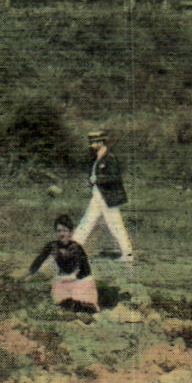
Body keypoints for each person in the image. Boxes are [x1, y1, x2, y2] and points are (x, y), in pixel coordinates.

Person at [73, 131, 134, 265]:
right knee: (86, 222)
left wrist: (98, 179)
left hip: (108, 197)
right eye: (91, 142)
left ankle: (127, 254)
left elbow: (115, 178)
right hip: (98, 195)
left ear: (101, 143)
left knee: (115, 226)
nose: (91, 145)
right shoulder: (96, 157)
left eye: (94, 142)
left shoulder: (110, 158)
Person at [23, 214, 98, 313]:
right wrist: (28, 274)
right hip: (63, 280)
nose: (62, 234)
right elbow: (39, 260)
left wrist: (73, 280)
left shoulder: (76, 248)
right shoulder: (52, 246)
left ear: (70, 232)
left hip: (78, 280)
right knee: (61, 302)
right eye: (59, 231)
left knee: (83, 303)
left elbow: (86, 270)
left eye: (65, 231)